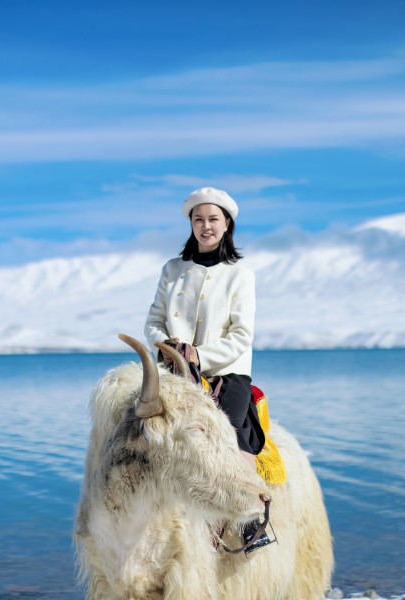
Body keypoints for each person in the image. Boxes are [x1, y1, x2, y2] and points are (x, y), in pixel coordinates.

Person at [144, 186, 272, 552]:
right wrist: (166, 346)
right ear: (191, 224)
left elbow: (242, 335)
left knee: (232, 437)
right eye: (198, 219)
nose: (206, 226)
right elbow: (153, 320)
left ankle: (251, 520)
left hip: (227, 371)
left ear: (227, 224)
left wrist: (200, 355)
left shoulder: (240, 275)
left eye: (213, 219)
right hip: (175, 372)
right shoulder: (173, 270)